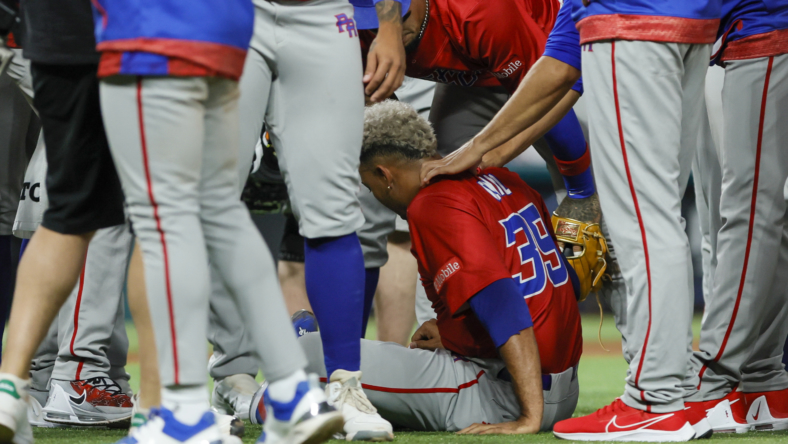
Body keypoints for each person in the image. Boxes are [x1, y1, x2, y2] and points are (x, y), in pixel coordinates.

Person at [419, 0, 723, 440]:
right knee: (659, 216)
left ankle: (655, 398)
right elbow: (560, 58)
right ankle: (671, 388)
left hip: (630, 23)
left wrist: (579, 189)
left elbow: (558, 71)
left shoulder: (479, 16)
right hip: (688, 22)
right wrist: (490, 150)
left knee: (640, 223)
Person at [91, 0, 343, 443]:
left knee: (163, 219)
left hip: (151, 25)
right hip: (227, 26)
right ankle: (293, 392)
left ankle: (184, 413)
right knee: (220, 211)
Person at [258, 100, 582, 434]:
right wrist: (459, 336)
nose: (375, 194)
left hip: (504, 393)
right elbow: (553, 289)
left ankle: (254, 404)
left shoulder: (432, 204)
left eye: (370, 185)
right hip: (561, 388)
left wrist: (529, 417)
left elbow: (504, 303)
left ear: (385, 175)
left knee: (305, 349)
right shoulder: (502, 179)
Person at [204, 0, 409, 438]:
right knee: (210, 203)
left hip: (324, 14)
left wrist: (389, 21)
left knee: (333, 210)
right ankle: (218, 379)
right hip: (228, 12)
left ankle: (344, 386)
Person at [682, 0, 788, 434]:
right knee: (739, 222)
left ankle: (713, 381)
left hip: (758, 34)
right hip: (723, 43)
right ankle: (763, 382)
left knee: (751, 217)